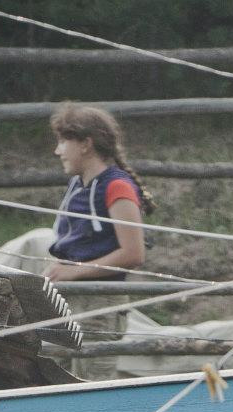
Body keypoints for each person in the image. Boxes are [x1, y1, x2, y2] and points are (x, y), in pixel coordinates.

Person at [44, 102, 153, 282]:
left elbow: (134, 254)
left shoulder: (117, 187)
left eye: (63, 142)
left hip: (98, 290)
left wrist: (73, 272)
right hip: (68, 277)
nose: (57, 151)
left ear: (85, 144)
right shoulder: (76, 184)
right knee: (34, 240)